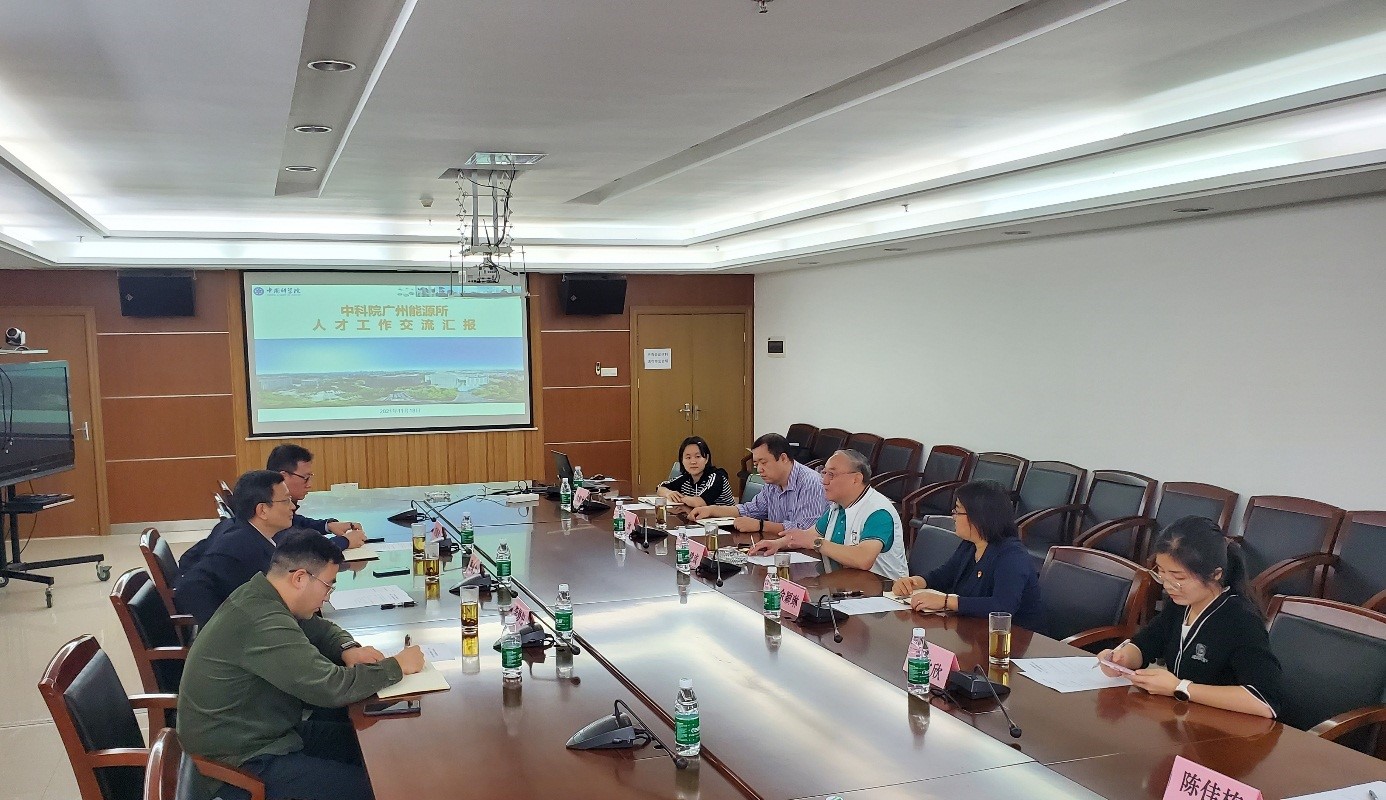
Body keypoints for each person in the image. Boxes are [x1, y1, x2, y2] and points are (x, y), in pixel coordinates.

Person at [178, 530, 424, 800]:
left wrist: (348, 649)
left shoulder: (264, 596)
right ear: (300, 578)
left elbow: (321, 629)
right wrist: (396, 666)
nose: (328, 597)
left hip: (267, 732)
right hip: (240, 763)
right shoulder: (262, 620)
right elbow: (331, 688)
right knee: (380, 787)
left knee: (378, 751)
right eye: (328, 585)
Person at [1097, 516, 1283, 719]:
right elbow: (1146, 643)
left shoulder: (1241, 621)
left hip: (1229, 728)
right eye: (1162, 574)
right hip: (1183, 719)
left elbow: (1265, 701)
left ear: (1215, 574)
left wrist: (1180, 687)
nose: (1167, 586)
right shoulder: (1181, 604)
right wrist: (1122, 659)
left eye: (1178, 578)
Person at [890, 480, 1044, 630]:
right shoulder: (970, 544)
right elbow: (944, 575)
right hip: (974, 630)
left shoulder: (1012, 555)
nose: (953, 516)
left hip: (1014, 638)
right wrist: (915, 582)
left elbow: (1002, 607)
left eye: (958, 511)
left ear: (979, 516)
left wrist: (946, 601)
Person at [749, 449, 907, 580]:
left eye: (831, 474)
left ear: (856, 479)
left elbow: (863, 559)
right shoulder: (837, 506)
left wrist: (816, 543)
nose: (824, 480)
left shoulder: (878, 511)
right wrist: (777, 544)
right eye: (824, 473)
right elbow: (809, 535)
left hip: (883, 593)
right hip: (846, 583)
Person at [176, 470, 295, 626]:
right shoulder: (238, 546)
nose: (292, 506)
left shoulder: (239, 527)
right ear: (262, 510)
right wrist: (224, 628)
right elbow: (190, 584)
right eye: (286, 501)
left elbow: (188, 558)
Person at [689, 433, 827, 534]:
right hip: (779, 545)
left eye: (764, 462)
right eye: (756, 464)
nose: (759, 469)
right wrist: (711, 510)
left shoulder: (811, 483)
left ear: (783, 458)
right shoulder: (772, 483)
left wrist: (761, 526)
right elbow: (749, 510)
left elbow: (806, 530)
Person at [268, 444, 368, 550]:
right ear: (283, 477)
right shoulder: (269, 507)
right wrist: (345, 541)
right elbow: (300, 550)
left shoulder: (277, 503)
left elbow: (296, 522)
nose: (309, 484)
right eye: (305, 478)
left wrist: (328, 526)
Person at [656, 436, 734, 508]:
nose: (693, 462)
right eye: (688, 457)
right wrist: (668, 493)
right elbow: (660, 487)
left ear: (706, 458)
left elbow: (699, 503)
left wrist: (678, 498)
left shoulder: (717, 477)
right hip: (698, 517)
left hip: (724, 518)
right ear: (682, 460)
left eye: (697, 456)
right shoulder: (686, 478)